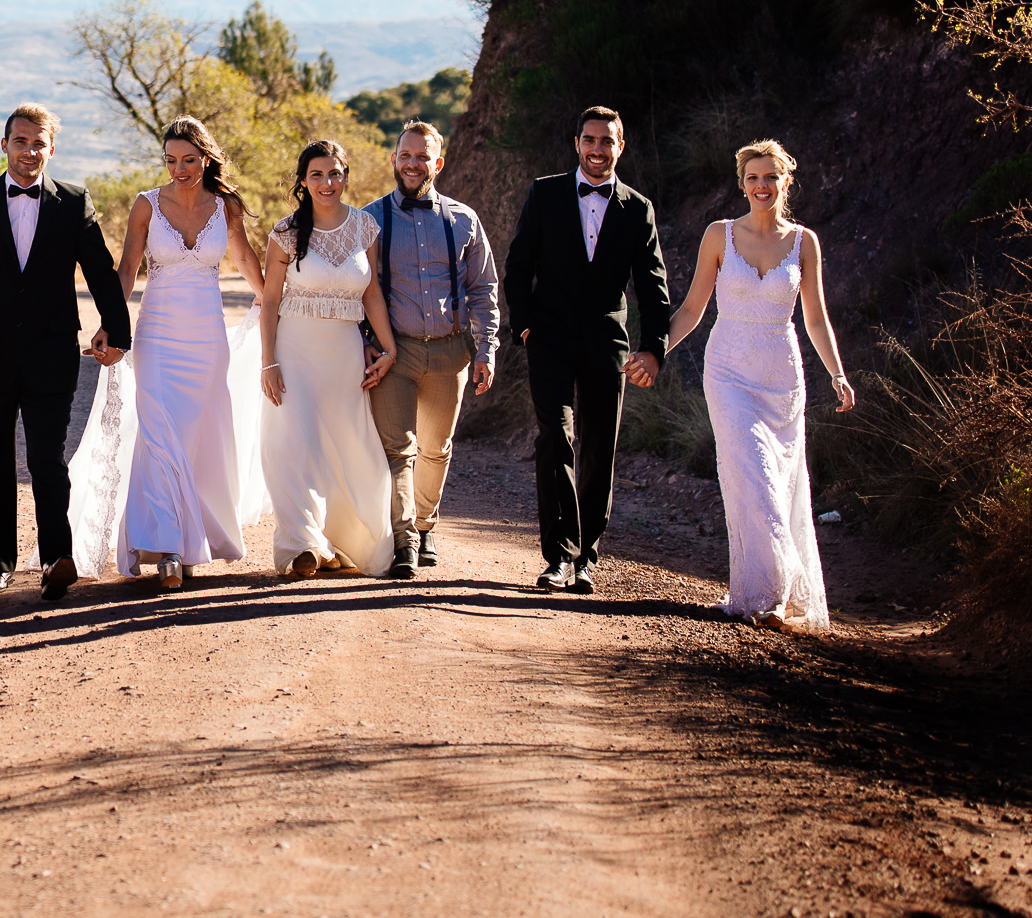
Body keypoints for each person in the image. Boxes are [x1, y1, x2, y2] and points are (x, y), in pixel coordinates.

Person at [0, 103, 132, 599]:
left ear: (51, 148)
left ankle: (57, 556)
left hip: (51, 352)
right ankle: (1, 561)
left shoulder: (74, 202)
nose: (30, 151)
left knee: (48, 459)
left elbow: (100, 270)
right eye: (20, 141)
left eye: (39, 143)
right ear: (6, 144)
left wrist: (115, 330)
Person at [663, 139, 851, 631]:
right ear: (741, 183)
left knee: (784, 484)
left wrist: (837, 373)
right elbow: (691, 309)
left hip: (782, 378)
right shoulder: (719, 235)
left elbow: (816, 318)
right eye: (752, 177)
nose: (761, 185)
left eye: (770, 177)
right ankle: (770, 591)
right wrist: (653, 351)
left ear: (785, 182)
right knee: (753, 474)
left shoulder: (805, 242)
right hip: (727, 372)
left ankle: (771, 591)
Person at [504, 105, 672, 595]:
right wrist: (526, 326)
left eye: (607, 141)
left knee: (599, 449)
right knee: (555, 439)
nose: (598, 150)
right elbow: (519, 264)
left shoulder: (638, 209)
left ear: (622, 147)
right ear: (577, 142)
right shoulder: (546, 192)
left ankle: (586, 560)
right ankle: (558, 556)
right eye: (590, 140)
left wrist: (654, 349)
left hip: (607, 343)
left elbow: (654, 287)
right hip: (549, 339)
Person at [103, 118, 266, 589]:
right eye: (171, 160)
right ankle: (169, 546)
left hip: (207, 337)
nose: (180, 169)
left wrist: (274, 302)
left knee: (195, 435)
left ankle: (192, 537)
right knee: (159, 433)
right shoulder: (146, 206)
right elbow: (128, 268)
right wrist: (112, 326)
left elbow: (248, 263)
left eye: (189, 160)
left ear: (206, 159)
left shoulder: (226, 206)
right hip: (157, 334)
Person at [361, 121, 501, 579]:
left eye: (423, 156)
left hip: (449, 354)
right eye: (406, 154)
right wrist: (366, 345)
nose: (413, 163)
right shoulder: (369, 219)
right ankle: (403, 543)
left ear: (437, 164)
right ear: (395, 158)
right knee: (397, 450)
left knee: (436, 449)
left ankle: (425, 526)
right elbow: (354, 290)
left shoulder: (464, 219)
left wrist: (486, 350)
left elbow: (484, 288)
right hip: (393, 354)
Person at [258, 140, 399, 579]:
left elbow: (372, 292)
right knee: (295, 445)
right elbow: (269, 301)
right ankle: (302, 544)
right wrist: (268, 361)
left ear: (346, 176)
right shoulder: (285, 232)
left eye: (335, 173)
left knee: (347, 448)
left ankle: (342, 541)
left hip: (343, 355)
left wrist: (388, 347)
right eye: (317, 174)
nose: (327, 182)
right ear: (303, 181)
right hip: (294, 351)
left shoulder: (365, 227)